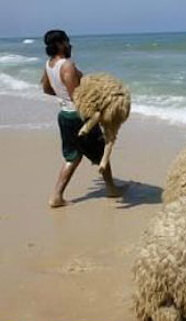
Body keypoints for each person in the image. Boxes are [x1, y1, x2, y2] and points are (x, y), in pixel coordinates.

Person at [41, 30, 123, 208]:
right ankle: (111, 188)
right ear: (61, 44)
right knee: (102, 152)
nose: (70, 45)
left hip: (64, 115)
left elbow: (47, 89)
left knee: (73, 156)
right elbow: (77, 97)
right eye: (68, 41)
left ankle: (56, 196)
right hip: (78, 117)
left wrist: (62, 93)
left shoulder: (49, 64)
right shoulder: (67, 65)